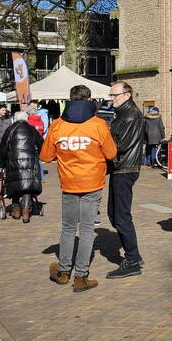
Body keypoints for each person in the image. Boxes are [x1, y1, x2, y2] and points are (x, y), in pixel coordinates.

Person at [41, 85, 118, 292]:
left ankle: (64, 271)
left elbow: (45, 156)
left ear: (70, 99)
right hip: (92, 182)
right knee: (86, 230)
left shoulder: (57, 125)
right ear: (89, 99)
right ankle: (81, 276)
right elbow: (111, 153)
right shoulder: (98, 124)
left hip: (69, 183)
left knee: (68, 228)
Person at [106, 81, 146, 279]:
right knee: (114, 214)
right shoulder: (122, 113)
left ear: (127, 95)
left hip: (125, 168)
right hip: (120, 167)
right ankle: (134, 256)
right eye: (111, 95)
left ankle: (132, 260)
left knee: (121, 216)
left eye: (115, 95)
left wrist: (101, 145)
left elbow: (121, 145)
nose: (111, 99)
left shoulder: (131, 115)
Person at [0, 111, 44, 223]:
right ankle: (26, 211)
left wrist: (2, 162)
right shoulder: (31, 129)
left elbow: (3, 148)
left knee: (15, 184)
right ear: (27, 119)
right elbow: (41, 144)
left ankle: (16, 209)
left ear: (14, 119)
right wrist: (38, 155)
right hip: (30, 161)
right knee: (27, 185)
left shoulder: (10, 129)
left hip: (14, 161)